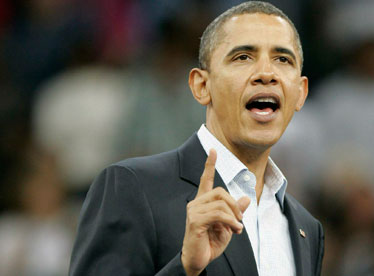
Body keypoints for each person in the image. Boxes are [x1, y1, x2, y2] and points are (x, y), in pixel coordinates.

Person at [69, 2, 324, 276]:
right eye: (243, 57)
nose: (266, 74)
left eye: (283, 60)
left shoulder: (306, 228)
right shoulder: (132, 187)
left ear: (300, 93)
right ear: (202, 86)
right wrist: (186, 268)